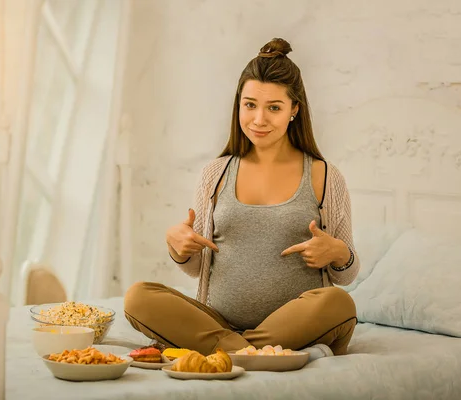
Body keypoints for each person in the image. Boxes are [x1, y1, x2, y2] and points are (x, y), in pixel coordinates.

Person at [124, 38, 359, 359]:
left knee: (338, 303)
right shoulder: (215, 173)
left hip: (294, 325)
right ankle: (251, 353)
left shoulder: (324, 175)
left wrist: (337, 251)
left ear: (294, 110)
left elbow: (346, 275)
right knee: (138, 297)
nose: (258, 119)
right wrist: (178, 247)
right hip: (217, 322)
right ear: (238, 105)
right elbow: (196, 269)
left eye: (274, 107)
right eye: (250, 105)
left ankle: (226, 352)